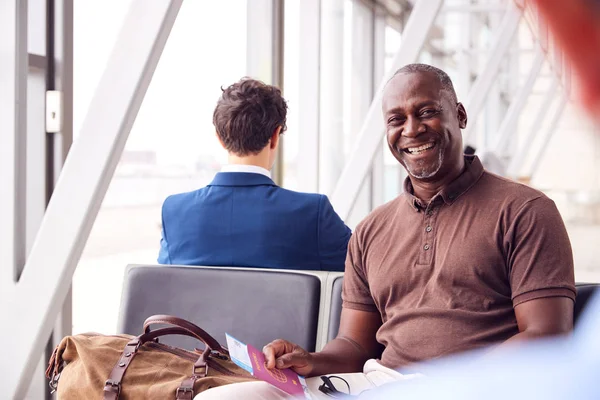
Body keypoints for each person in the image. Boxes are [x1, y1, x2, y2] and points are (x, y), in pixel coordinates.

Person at [195, 64, 576, 399]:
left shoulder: (524, 210)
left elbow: (546, 336)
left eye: (427, 112)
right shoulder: (370, 230)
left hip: (477, 387)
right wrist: (311, 360)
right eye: (397, 119)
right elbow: (355, 344)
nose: (412, 129)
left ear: (459, 115)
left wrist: (451, 383)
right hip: (380, 384)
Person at [158, 78, 350, 271]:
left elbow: (168, 287)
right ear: (275, 136)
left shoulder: (174, 212)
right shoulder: (312, 213)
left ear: (220, 139)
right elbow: (364, 271)